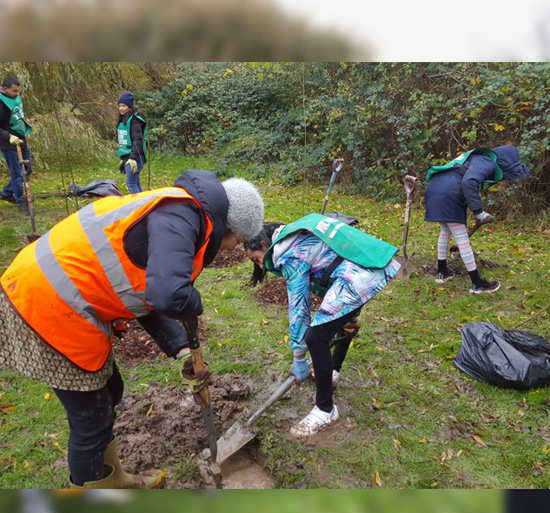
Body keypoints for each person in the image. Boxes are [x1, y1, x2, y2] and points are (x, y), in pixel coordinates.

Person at [0, 170, 264, 489]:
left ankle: (114, 480)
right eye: (236, 240)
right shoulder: (182, 216)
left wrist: (182, 349)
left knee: (110, 391)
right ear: (228, 225)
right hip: (43, 302)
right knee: (92, 419)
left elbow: (145, 295)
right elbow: (167, 294)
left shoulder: (181, 212)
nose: (233, 249)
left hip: (58, 296)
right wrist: (193, 302)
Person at [244, 213, 400, 438]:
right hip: (370, 262)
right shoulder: (296, 232)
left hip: (360, 273)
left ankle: (325, 409)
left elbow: (298, 306)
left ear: (264, 244)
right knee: (344, 320)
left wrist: (299, 356)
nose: (261, 265)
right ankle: (333, 371)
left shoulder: (289, 254)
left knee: (316, 337)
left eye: (257, 259)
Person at [424, 145, 529, 294]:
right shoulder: (486, 161)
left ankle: (442, 273)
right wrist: (479, 212)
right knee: (461, 238)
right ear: (506, 162)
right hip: (449, 193)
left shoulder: (475, 158)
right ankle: (477, 284)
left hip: (434, 188)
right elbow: (469, 182)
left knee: (445, 230)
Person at [0, 76, 32, 214]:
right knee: (18, 174)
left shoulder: (14, 98)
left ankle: (7, 192)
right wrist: (8, 137)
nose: (17, 94)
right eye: (14, 91)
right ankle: (21, 202)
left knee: (28, 169)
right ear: (5, 89)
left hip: (20, 139)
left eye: (19, 91)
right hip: (8, 142)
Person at [115, 92, 146, 194]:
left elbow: (138, 140)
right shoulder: (123, 120)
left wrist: (132, 158)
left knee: (131, 183)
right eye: (119, 106)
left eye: (124, 106)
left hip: (135, 156)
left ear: (129, 107)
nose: (121, 108)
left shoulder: (134, 121)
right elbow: (125, 141)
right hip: (128, 156)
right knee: (136, 182)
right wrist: (123, 158)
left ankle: (139, 206)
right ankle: (143, 203)